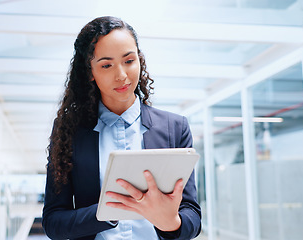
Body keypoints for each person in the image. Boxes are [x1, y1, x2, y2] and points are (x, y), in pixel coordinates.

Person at [42, 16, 201, 240]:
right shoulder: (70, 132)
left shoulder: (175, 127)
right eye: (106, 65)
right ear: (90, 72)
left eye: (129, 60)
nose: (122, 75)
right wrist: (106, 213)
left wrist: (171, 223)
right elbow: (53, 222)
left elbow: (192, 216)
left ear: (140, 60)